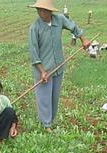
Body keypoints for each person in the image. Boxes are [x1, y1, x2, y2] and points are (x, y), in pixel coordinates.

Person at [28, 0, 90, 131]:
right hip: (43, 70)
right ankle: (46, 125)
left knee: (54, 96)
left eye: (44, 10)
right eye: (39, 10)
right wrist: (42, 71)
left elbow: (73, 27)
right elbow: (34, 52)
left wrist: (83, 39)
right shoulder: (35, 28)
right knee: (44, 97)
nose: (41, 13)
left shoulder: (59, 19)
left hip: (58, 66)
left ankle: (51, 120)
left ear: (50, 11)